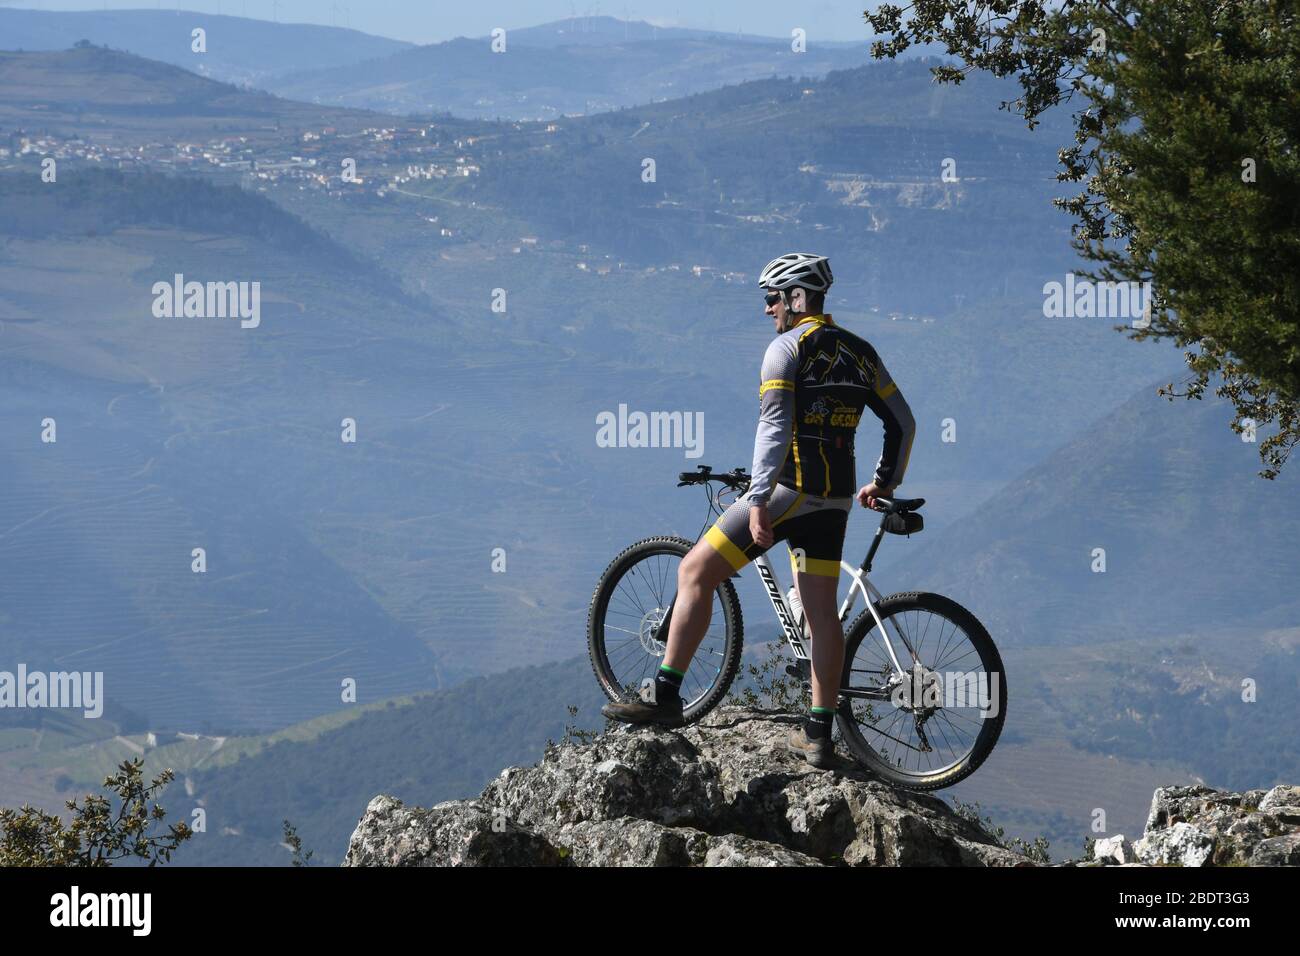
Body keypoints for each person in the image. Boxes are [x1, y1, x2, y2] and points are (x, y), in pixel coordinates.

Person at [602, 252, 916, 769]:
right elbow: (903, 422)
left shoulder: (785, 350)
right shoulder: (862, 353)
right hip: (835, 500)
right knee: (821, 614)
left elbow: (773, 431)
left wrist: (756, 502)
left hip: (787, 491)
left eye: (773, 298)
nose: (768, 308)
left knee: (695, 571)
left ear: (796, 298)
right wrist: (883, 482)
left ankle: (664, 695)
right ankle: (818, 735)